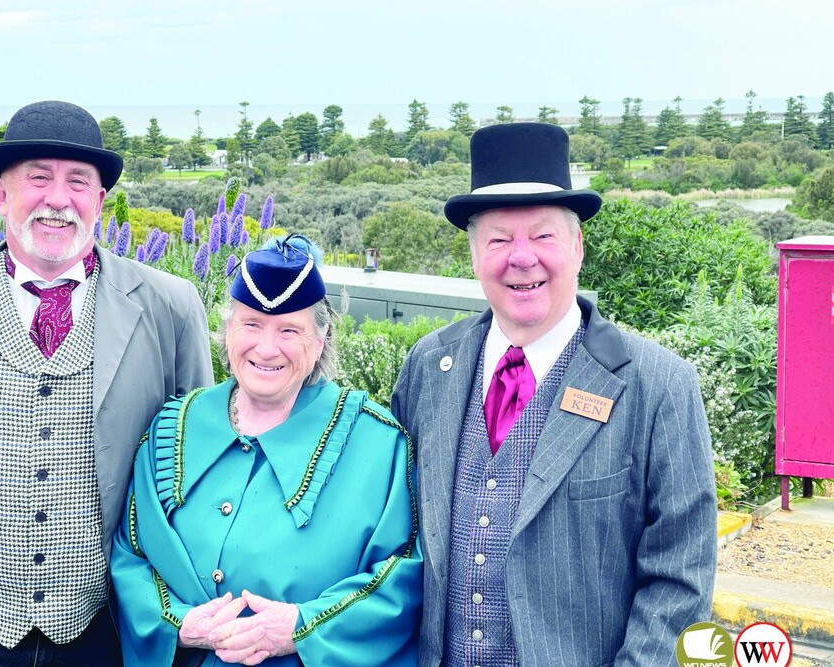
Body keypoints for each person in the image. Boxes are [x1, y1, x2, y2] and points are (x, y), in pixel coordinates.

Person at [0, 100, 214, 667]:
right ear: (0, 194)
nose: (58, 199)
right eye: (38, 178)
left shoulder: (171, 306)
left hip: (110, 628)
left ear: (100, 201)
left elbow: (193, 456)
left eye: (78, 182)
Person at [391, 122, 716, 666]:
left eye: (542, 236)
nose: (522, 258)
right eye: (499, 239)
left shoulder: (660, 386)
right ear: (474, 253)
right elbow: (392, 536)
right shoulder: (429, 366)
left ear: (577, 246)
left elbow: (681, 582)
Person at [111, 235, 422, 667]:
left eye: (289, 330)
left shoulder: (377, 444)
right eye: (251, 324)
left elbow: (402, 577)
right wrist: (177, 624)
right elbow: (131, 552)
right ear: (227, 329)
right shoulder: (172, 429)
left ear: (321, 339)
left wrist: (303, 627)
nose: (266, 348)